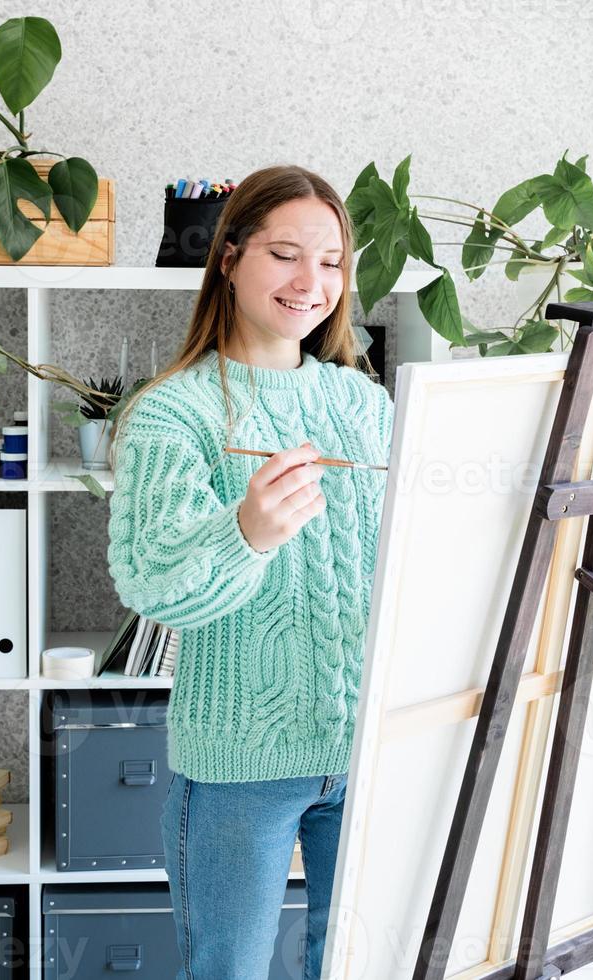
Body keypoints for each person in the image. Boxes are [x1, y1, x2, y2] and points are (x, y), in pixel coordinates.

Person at [107, 164, 394, 980]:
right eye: (285, 254)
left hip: (370, 752)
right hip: (240, 764)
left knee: (358, 967)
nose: (312, 282)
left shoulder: (365, 405)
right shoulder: (174, 411)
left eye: (332, 261)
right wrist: (247, 534)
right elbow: (152, 583)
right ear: (228, 258)